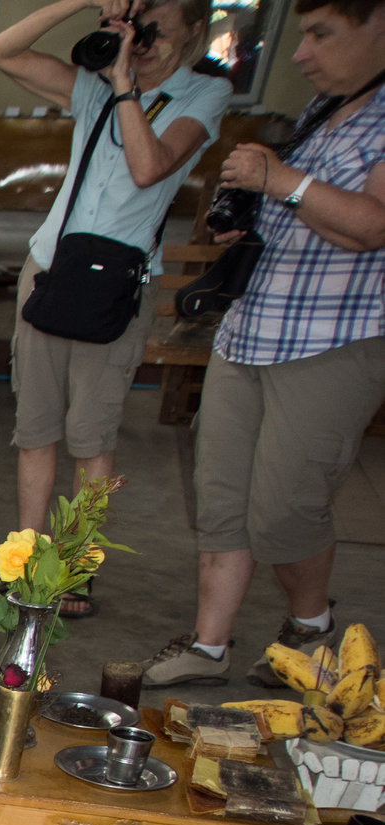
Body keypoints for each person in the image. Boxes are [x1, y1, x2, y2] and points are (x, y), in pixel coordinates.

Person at [145, 0, 385, 686]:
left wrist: (281, 180)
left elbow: (370, 227)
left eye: (320, 34)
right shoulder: (323, 113)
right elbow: (311, 215)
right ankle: (209, 644)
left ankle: (310, 630)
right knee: (220, 497)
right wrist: (253, 215)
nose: (301, 54)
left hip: (331, 341)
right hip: (252, 331)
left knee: (285, 507)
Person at [0, 0, 223, 617]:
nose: (142, 44)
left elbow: (150, 168)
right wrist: (81, 4)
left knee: (91, 439)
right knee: (35, 430)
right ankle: (25, 565)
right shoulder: (93, 87)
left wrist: (125, 88)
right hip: (52, 268)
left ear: (195, 34)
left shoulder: (202, 96)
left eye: (157, 33)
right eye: (137, 30)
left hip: (116, 285)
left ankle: (72, 570)